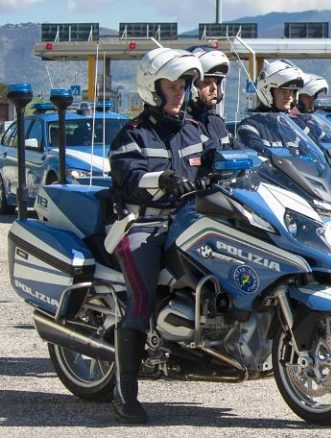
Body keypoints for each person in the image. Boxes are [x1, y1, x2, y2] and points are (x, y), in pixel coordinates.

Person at [108, 47, 217, 424]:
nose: (179, 93)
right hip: (144, 225)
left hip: (189, 220)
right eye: (170, 86)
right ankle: (126, 394)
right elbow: (129, 178)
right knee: (141, 299)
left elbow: (220, 160)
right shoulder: (132, 134)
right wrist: (160, 180)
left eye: (183, 85)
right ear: (152, 88)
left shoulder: (194, 130)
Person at [187, 46, 237, 151]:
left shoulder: (216, 121)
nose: (214, 88)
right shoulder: (184, 124)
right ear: (191, 85)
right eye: (206, 82)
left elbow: (236, 147)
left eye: (217, 82)